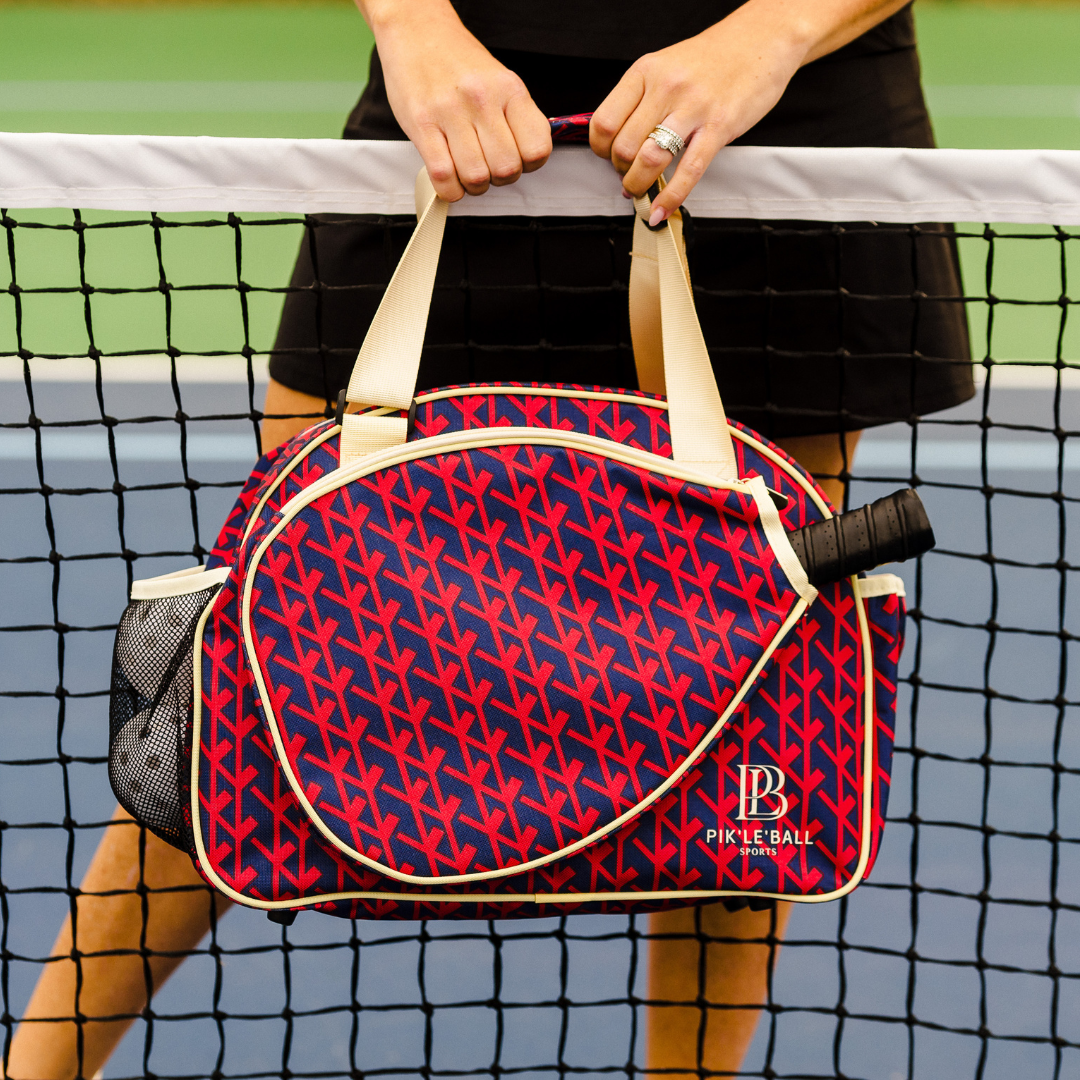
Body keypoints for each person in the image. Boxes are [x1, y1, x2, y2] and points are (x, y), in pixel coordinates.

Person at [3, 0, 972, 1077]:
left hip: (778, 124)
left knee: (745, 682)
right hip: (453, 111)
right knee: (257, 669)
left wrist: (774, 36)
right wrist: (413, 24)